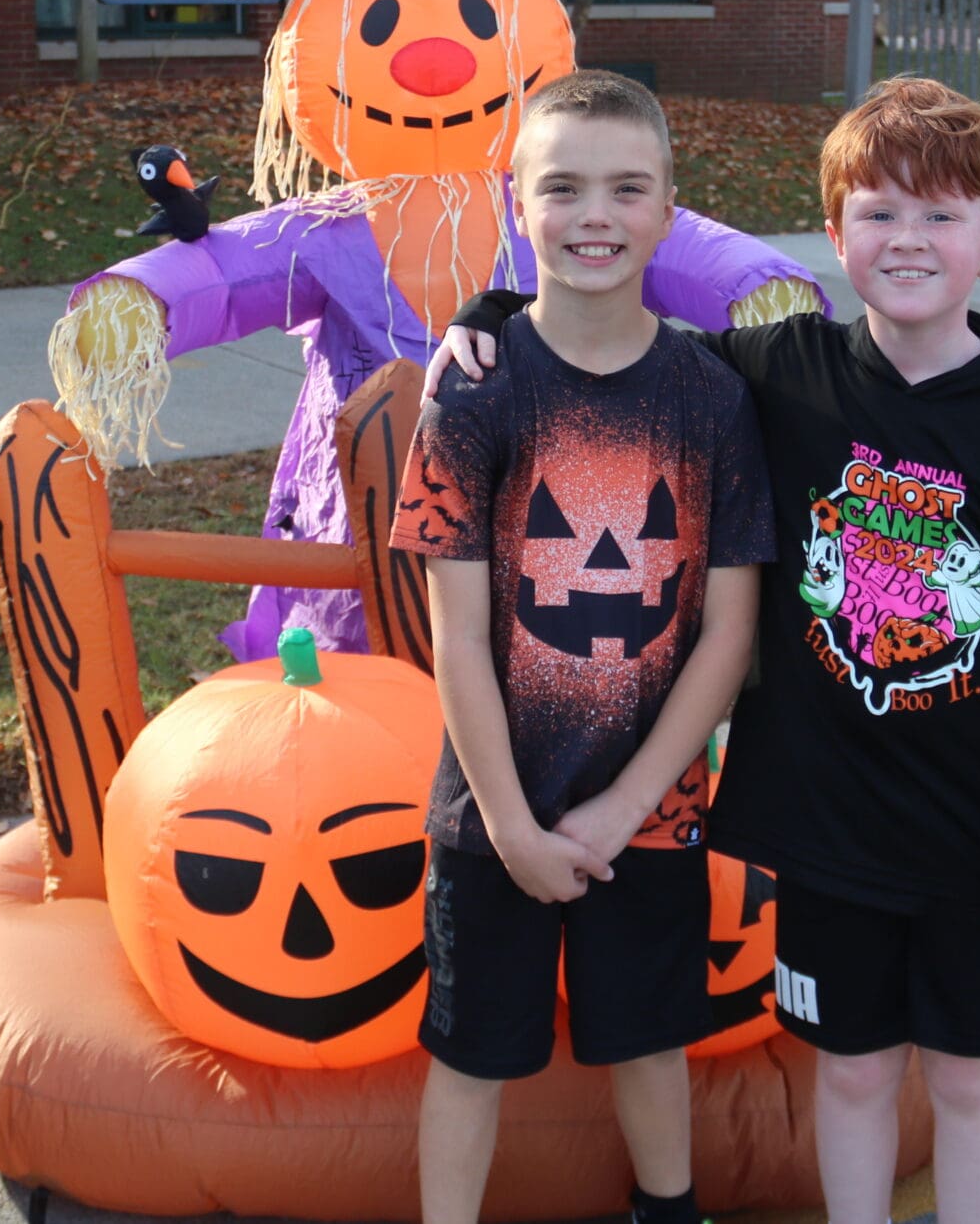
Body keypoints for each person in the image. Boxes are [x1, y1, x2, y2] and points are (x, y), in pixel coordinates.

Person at [429, 77, 980, 1224]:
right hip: (826, 830)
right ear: (835, 234)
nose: (907, 239)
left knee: (968, 1080)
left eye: (941, 215)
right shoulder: (781, 372)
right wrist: (495, 310)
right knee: (849, 1073)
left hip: (979, 835)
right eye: (878, 212)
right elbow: (611, 340)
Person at [390, 69, 775, 1224]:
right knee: (470, 1053)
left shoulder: (712, 400)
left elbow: (728, 633)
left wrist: (622, 808)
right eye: (561, 188)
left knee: (649, 1042)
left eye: (626, 188)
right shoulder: (472, 397)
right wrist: (511, 826)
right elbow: (457, 637)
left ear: (667, 210)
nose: (593, 215)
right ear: (519, 206)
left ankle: (669, 1209)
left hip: (649, 809)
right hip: (488, 807)